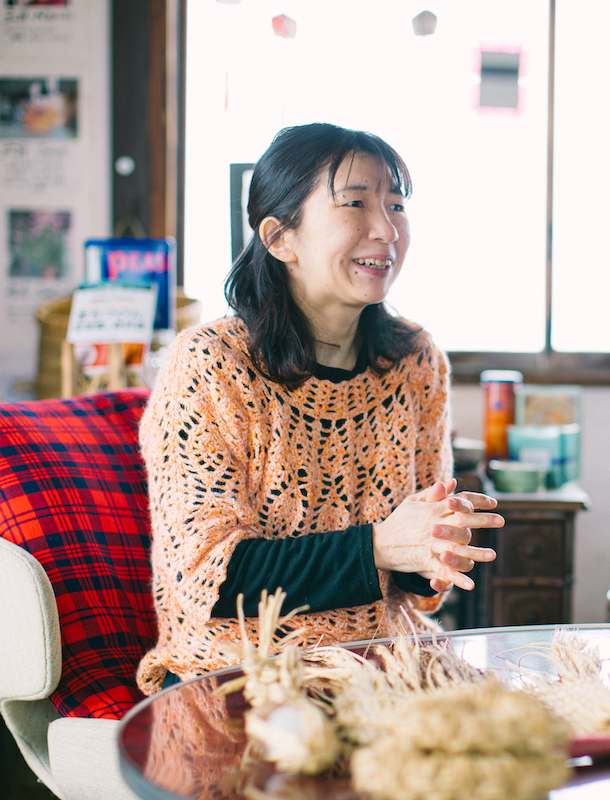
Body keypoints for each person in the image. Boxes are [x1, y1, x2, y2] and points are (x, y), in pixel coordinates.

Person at [136, 123, 502, 694]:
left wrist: (432, 545)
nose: (387, 229)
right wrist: (378, 544)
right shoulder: (209, 364)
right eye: (355, 203)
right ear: (280, 238)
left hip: (386, 662)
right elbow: (205, 578)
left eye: (397, 205)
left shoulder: (416, 360)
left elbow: (411, 577)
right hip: (239, 674)